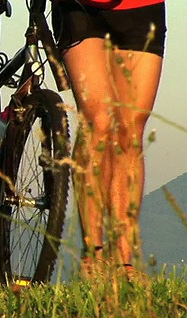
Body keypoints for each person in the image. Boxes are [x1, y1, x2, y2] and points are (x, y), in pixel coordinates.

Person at [50, 0, 166, 277]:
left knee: (130, 129)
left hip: (142, 7)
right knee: (98, 121)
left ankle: (125, 262)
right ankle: (94, 254)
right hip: (79, 7)